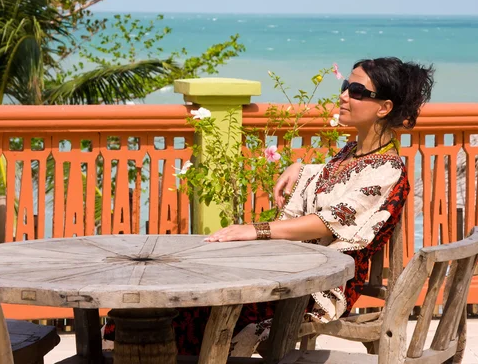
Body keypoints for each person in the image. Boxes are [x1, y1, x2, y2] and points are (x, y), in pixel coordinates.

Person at [103, 57, 434, 356]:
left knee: (192, 308)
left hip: (321, 283)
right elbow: (336, 182)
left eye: (359, 91)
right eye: (347, 86)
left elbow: (330, 222)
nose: (345, 95)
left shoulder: (388, 171)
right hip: (299, 266)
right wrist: (302, 169)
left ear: (384, 107)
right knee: (169, 302)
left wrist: (255, 231)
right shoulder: (352, 152)